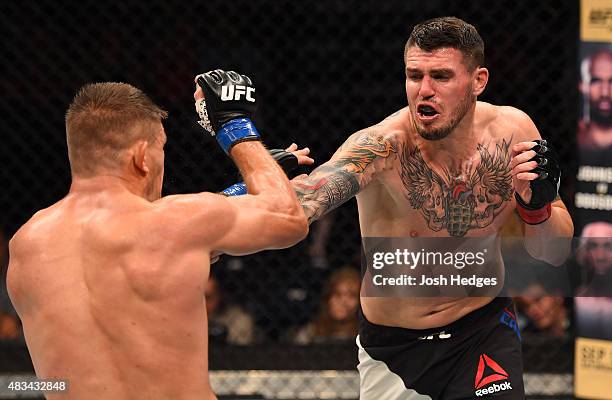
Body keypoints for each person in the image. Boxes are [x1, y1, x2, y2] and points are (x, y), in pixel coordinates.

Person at [288, 17, 574, 399]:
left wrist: (536, 208)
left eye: (440, 76)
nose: (424, 90)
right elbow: (301, 204)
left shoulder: (513, 133)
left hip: (483, 331)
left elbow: (553, 253)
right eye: (414, 75)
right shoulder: (382, 148)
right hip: (397, 350)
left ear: (478, 80)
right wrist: (255, 182)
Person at [7, 71, 308, 399]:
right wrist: (235, 126)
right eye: (161, 148)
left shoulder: (26, 244)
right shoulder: (179, 226)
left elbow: (133, 258)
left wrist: (237, 193)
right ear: (142, 157)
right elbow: (286, 216)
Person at [292, 266, 360, 345]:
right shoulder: (311, 333)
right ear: (328, 298)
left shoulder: (366, 336)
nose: (343, 302)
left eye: (352, 296)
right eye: (337, 294)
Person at [206, 272, 258, 345]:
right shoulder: (189, 317)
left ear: (219, 296)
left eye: (207, 297)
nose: (203, 303)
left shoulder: (239, 319)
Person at [578, 48, 612, 151]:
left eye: (611, 81)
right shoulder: (576, 139)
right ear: (583, 86)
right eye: (596, 81)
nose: (605, 93)